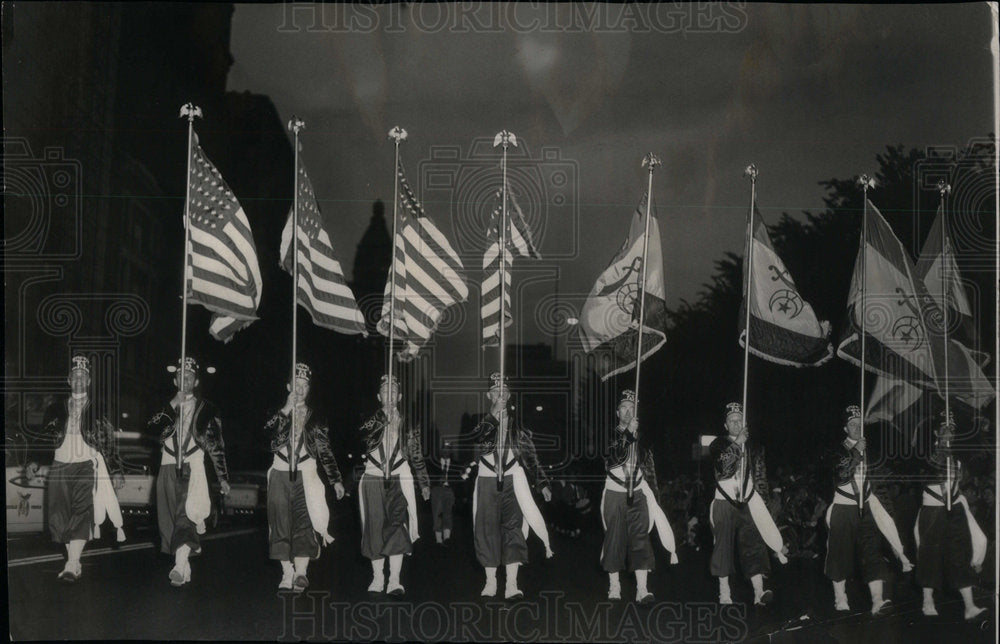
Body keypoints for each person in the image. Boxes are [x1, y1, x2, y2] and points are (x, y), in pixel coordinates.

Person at [462, 372, 553, 599]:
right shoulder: (479, 421)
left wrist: (542, 483)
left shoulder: (518, 426)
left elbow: (531, 458)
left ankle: (512, 584)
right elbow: (477, 439)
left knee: (514, 529)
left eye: (503, 392)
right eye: (495, 392)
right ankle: (491, 581)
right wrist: (493, 415)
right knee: (487, 529)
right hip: (487, 480)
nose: (499, 395)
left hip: (513, 479)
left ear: (509, 395)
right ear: (488, 395)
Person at [147, 357, 230, 587]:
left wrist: (223, 477)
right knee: (169, 520)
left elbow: (216, 445)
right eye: (181, 376)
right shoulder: (166, 406)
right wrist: (173, 403)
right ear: (175, 381)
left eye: (190, 377)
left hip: (193, 467)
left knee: (186, 514)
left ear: (196, 381)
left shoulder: (207, 409)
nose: (186, 380)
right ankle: (184, 565)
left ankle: (178, 565)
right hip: (167, 464)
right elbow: (151, 428)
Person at [43, 355, 126, 582]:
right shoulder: (54, 408)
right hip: (60, 464)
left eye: (84, 376)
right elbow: (44, 438)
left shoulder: (97, 407)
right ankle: (74, 562)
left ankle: (71, 563)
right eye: (75, 376)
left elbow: (107, 439)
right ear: (68, 380)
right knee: (60, 516)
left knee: (81, 511)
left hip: (85, 465)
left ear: (89, 381)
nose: (79, 380)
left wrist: (115, 468)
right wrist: (33, 461)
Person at [263, 363, 345, 592]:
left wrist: (335, 479)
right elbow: (269, 439)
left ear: (309, 389)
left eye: (304, 385)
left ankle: (300, 572)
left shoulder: (316, 416)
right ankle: (286, 572)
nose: (299, 389)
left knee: (305, 520)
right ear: (288, 385)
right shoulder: (276, 411)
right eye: (295, 384)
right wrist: (286, 410)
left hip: (306, 472)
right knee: (279, 521)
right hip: (280, 471)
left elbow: (324, 449)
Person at [824, 405, 912, 615]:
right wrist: (856, 452)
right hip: (844, 507)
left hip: (869, 506)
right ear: (845, 428)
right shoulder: (835, 450)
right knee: (840, 555)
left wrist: (888, 514)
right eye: (852, 425)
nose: (856, 428)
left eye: (859, 424)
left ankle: (878, 601)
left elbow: (880, 485)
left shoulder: (872, 452)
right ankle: (840, 598)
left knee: (872, 552)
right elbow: (842, 473)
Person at [600, 389, 677, 603]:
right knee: (614, 539)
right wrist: (627, 436)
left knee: (640, 538)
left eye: (631, 408)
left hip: (640, 492)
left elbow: (650, 469)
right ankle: (614, 586)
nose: (627, 412)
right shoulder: (609, 434)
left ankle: (642, 589)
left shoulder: (643, 439)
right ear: (617, 412)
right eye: (623, 408)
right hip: (616, 492)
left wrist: (655, 498)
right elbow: (612, 459)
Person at [357, 374, 430, 595]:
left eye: (393, 391)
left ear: (399, 396)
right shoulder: (369, 419)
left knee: (397, 525)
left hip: (399, 476)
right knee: (374, 527)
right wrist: (381, 418)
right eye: (384, 391)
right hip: (373, 476)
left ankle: (394, 580)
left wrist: (423, 481)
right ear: (379, 396)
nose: (389, 395)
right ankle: (378, 577)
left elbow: (416, 452)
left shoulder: (408, 422)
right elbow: (362, 435)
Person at [709, 402, 787, 606]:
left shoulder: (756, 447)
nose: (736, 423)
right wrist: (737, 445)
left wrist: (766, 508)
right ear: (725, 425)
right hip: (724, 501)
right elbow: (723, 468)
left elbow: (760, 478)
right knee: (723, 546)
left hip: (749, 501)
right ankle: (724, 592)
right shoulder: (718, 444)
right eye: (731, 420)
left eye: (739, 420)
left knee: (754, 545)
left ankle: (759, 592)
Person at [915, 411, 987, 619]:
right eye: (945, 429)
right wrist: (944, 448)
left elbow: (965, 477)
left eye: (952, 430)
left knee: (958, 554)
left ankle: (969, 606)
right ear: (937, 432)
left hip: (954, 508)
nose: (949, 433)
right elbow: (932, 465)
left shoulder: (955, 459)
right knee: (930, 554)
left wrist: (982, 432)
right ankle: (927, 601)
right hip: (933, 509)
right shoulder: (929, 453)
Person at [429, 441, 458, 545]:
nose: (446, 451)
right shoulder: (433, 463)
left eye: (448, 449)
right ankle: (438, 540)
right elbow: (428, 477)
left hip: (449, 490)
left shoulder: (455, 464)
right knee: (437, 514)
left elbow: (459, 479)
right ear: (440, 451)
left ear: (450, 451)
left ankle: (447, 538)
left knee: (447, 513)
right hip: (437, 490)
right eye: (444, 449)